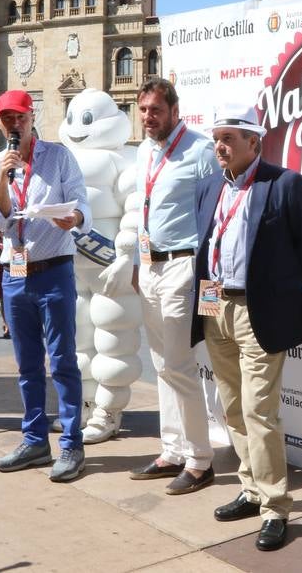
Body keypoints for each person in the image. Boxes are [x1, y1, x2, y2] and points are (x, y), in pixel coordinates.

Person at [189, 104, 302, 552]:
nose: (220, 146)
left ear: (254, 142)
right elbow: (206, 245)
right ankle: (251, 489)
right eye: (216, 138)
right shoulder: (210, 186)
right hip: (215, 307)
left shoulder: (284, 184)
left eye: (228, 138)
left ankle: (275, 507)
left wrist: (274, 292)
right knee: (232, 408)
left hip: (257, 312)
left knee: (259, 411)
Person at [0, 89, 92, 482]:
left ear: (32, 118)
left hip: (54, 269)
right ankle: (34, 440)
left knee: (62, 360)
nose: (15, 124)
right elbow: (0, 221)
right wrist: (2, 178)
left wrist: (74, 217)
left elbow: (81, 202)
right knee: (27, 364)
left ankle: (72, 443)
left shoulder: (59, 156)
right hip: (15, 273)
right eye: (7, 118)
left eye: (21, 117)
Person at [128, 77, 218, 495]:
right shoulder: (144, 150)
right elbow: (143, 212)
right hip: (150, 267)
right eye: (144, 110)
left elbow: (214, 217)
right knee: (161, 364)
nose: (148, 117)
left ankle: (200, 460)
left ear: (175, 111)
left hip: (184, 265)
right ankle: (172, 450)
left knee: (179, 365)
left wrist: (209, 280)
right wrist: (137, 263)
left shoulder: (201, 151)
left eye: (156, 110)